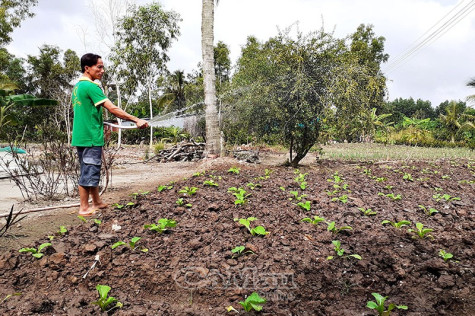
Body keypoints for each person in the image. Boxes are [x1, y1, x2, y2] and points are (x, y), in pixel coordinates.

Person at [71, 53, 148, 216]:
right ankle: (84, 208)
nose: (102, 70)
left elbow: (87, 112)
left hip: (82, 135)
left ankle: (96, 202)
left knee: (91, 169)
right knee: (89, 171)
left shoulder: (77, 87)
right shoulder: (91, 87)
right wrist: (136, 119)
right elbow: (112, 108)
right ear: (87, 68)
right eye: (99, 67)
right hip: (91, 137)